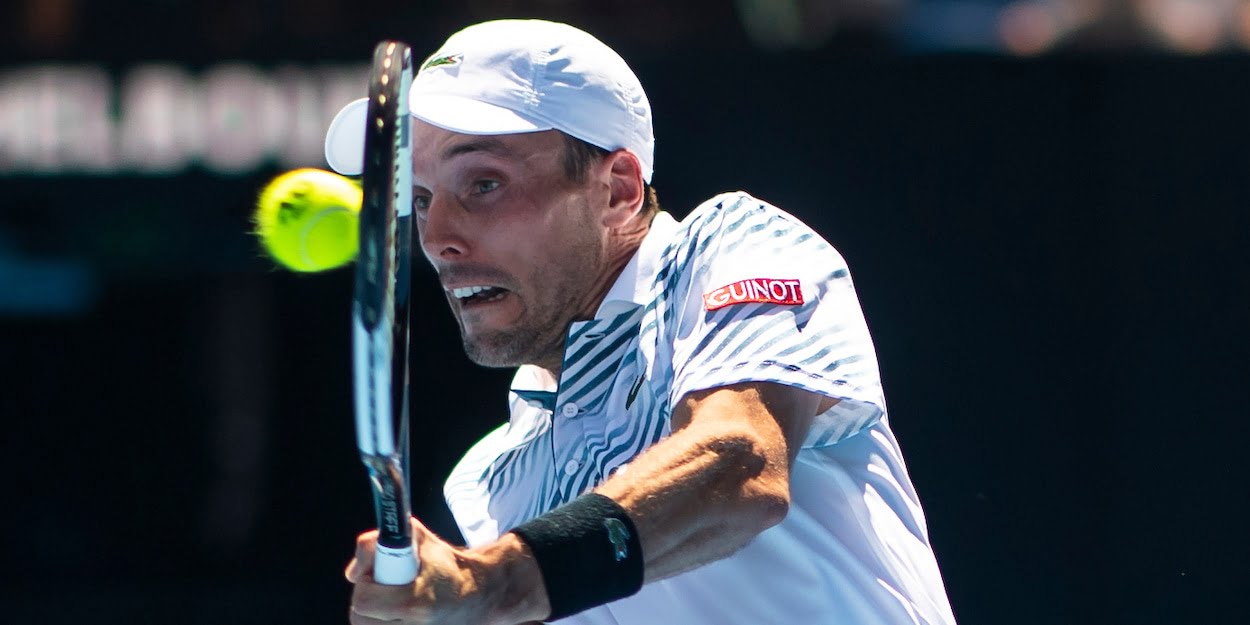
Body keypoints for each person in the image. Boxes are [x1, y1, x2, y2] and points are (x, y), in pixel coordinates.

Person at [325, 18, 958, 625]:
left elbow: (740, 464)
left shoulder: (733, 245)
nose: (437, 239)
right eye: (421, 200)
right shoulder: (490, 484)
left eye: (484, 184)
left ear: (620, 188)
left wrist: (497, 582)